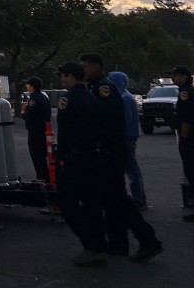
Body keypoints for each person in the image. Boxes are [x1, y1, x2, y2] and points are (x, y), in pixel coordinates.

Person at [79, 52, 161, 262]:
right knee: (110, 200)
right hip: (107, 151)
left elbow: (102, 120)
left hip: (110, 151)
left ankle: (147, 239)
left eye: (87, 67)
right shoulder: (96, 87)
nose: (84, 70)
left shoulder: (103, 88)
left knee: (117, 198)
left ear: (97, 67)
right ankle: (118, 243)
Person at [55, 61, 108, 268]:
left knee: (66, 202)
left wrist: (62, 154)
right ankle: (100, 247)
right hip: (93, 156)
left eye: (63, 76)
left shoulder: (68, 99)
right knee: (91, 204)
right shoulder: (92, 97)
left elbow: (66, 130)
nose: (62, 79)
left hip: (75, 158)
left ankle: (91, 246)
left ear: (70, 76)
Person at [108, 71, 146, 210]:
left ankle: (138, 200)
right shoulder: (125, 96)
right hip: (128, 137)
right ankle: (139, 198)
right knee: (132, 169)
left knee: (131, 170)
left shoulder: (124, 98)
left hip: (126, 138)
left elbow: (124, 121)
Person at [170, 65, 194, 222]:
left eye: (176, 75)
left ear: (184, 77)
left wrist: (184, 136)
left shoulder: (185, 93)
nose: (173, 78)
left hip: (190, 138)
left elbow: (186, 116)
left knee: (191, 170)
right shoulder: (188, 90)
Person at [22, 76, 51, 182]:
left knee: (38, 159)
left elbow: (29, 117)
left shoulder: (34, 99)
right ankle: (46, 179)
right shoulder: (44, 97)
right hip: (44, 131)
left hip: (35, 133)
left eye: (28, 84)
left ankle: (43, 180)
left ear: (32, 86)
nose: (26, 86)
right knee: (42, 159)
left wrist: (23, 113)